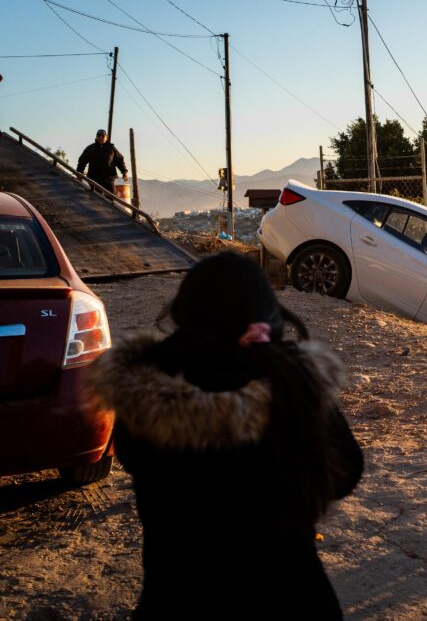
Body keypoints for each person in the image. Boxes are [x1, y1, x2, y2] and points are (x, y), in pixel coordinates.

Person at [90, 252, 363, 620]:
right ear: (269, 314)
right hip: (293, 600)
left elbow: (131, 455)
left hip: (176, 599)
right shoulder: (290, 385)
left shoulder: (145, 393)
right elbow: (346, 473)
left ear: (185, 312)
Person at [76, 128, 127, 194]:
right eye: (99, 135)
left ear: (106, 137)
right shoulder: (91, 148)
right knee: (96, 198)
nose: (100, 137)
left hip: (108, 178)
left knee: (110, 198)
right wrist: (79, 173)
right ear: (96, 137)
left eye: (103, 136)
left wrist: (124, 172)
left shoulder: (111, 148)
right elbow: (82, 161)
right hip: (94, 178)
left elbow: (119, 160)